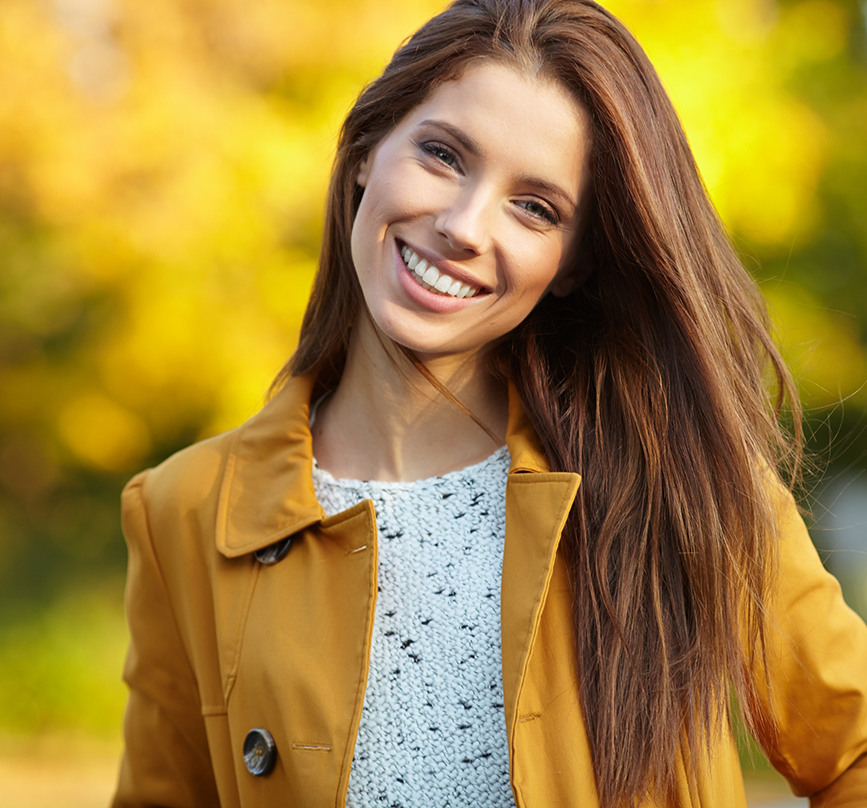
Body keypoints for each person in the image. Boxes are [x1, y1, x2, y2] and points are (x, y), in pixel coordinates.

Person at [110, 0, 867, 806]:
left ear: (572, 263)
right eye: (442, 155)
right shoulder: (185, 511)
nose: (464, 226)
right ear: (367, 148)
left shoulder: (680, 480)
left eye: (535, 207)